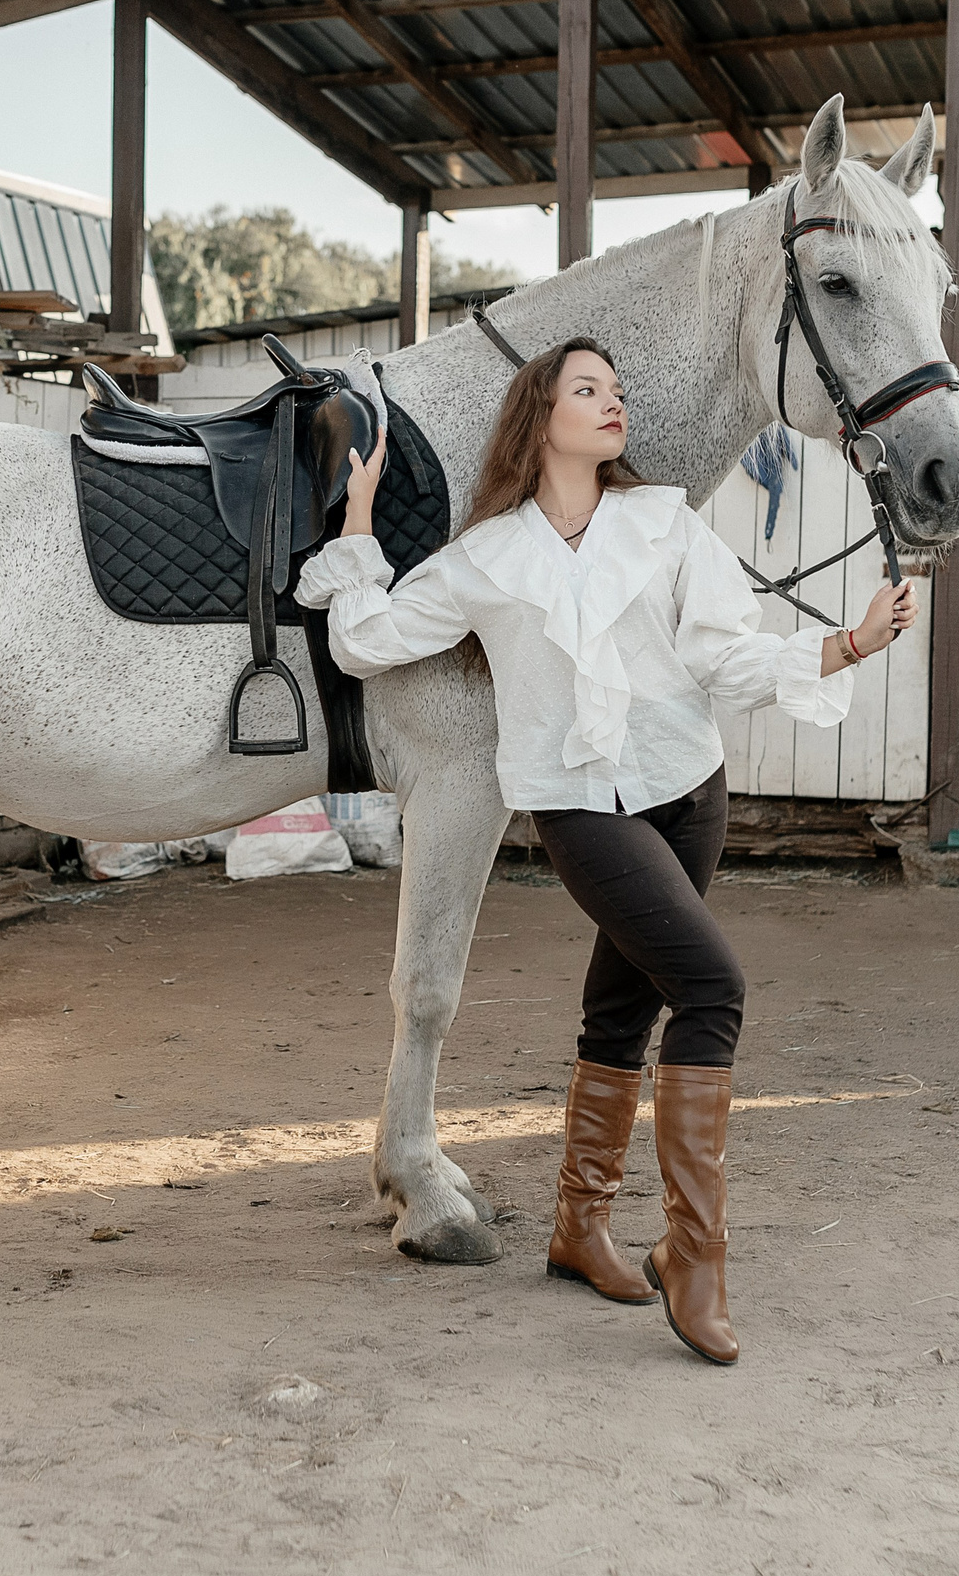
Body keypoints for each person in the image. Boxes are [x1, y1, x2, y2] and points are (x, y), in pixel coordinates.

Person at [295, 337, 916, 1366]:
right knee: (712, 986)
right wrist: (356, 523)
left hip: (689, 789)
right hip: (579, 805)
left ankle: (578, 1228)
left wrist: (842, 644)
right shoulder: (485, 557)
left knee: (621, 1011)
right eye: (588, 389)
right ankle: (694, 1254)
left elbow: (721, 648)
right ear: (540, 418)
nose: (612, 403)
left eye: (617, 390)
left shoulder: (661, 521)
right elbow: (364, 641)